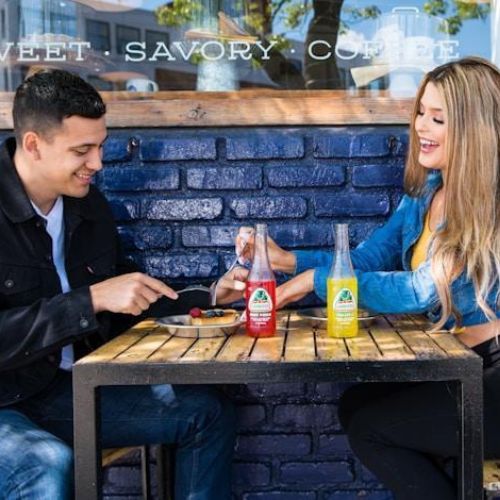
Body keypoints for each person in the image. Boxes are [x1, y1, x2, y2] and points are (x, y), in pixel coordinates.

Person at [232, 57, 500, 499]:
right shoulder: (426, 194)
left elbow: (420, 290)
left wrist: (315, 282)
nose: (420, 127)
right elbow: (367, 257)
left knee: (375, 429)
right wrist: (285, 261)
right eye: (420, 112)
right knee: (358, 404)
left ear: (476, 130)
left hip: (491, 374)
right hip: (459, 363)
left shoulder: (488, 206)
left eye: (438, 118)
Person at [0, 68, 236, 499]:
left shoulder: (87, 206)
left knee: (206, 412)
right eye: (82, 150)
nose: (98, 164)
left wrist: (215, 296)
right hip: (4, 404)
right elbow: (96, 300)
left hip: (62, 391)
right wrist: (87, 301)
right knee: (47, 466)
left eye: (101, 146)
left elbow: (126, 299)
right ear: (33, 144)